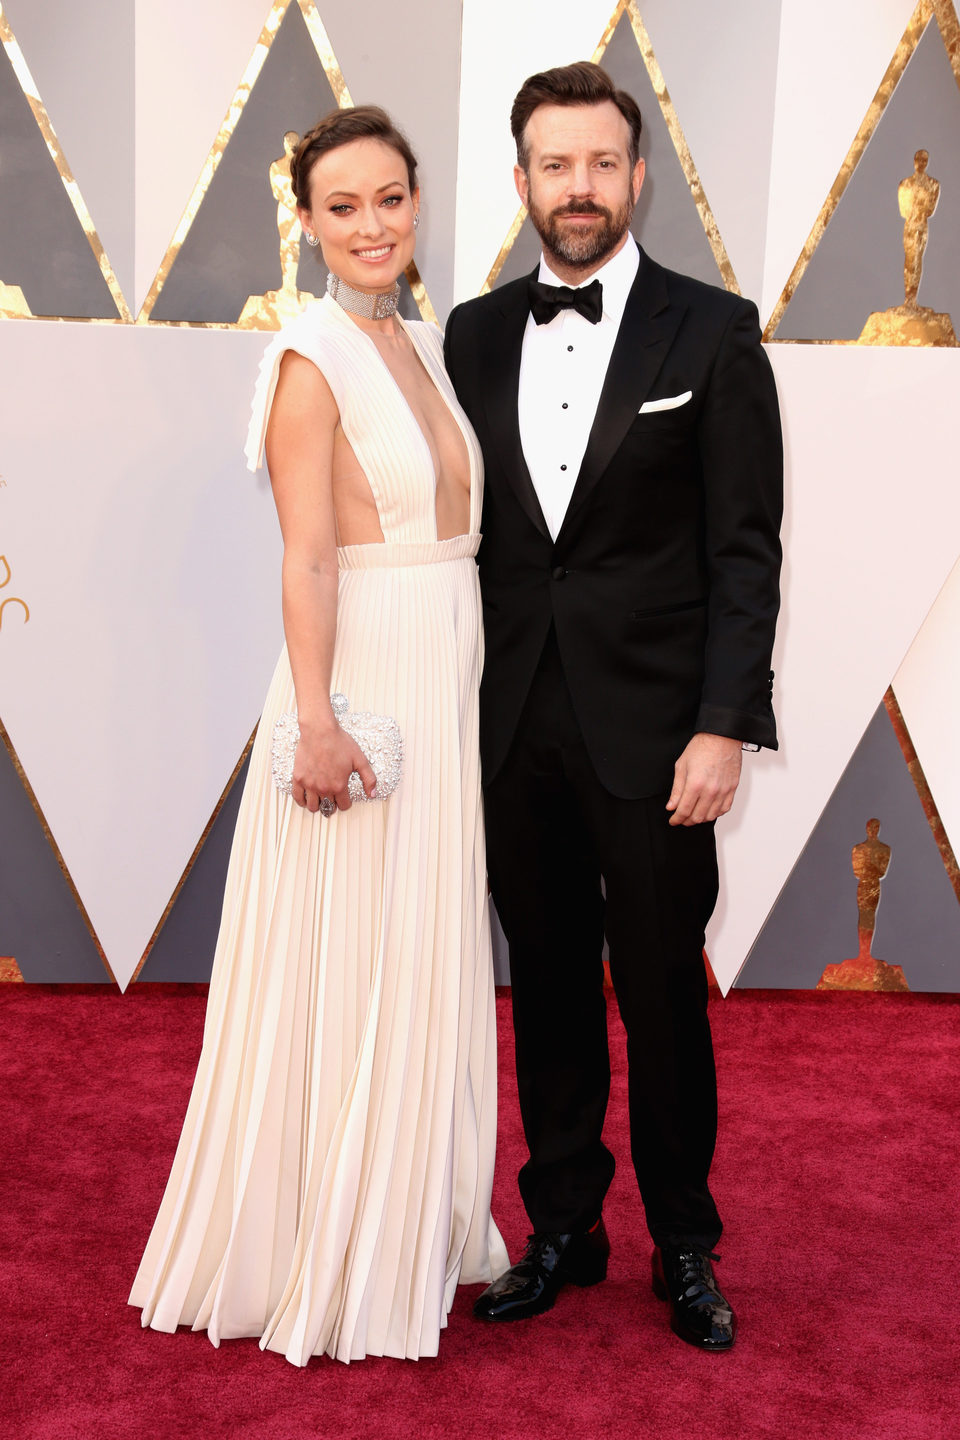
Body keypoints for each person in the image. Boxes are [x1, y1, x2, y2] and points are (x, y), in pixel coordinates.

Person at [130, 105, 508, 1365]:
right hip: (362, 683)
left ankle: (411, 1217)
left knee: (422, 942)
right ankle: (324, 1243)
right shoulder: (307, 356)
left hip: (444, 663)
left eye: (389, 199)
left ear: (417, 204)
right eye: (341, 206)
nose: (370, 224)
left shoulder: (422, 342)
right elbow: (305, 559)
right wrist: (314, 721)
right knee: (353, 953)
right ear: (306, 222)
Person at [443, 62, 782, 1351]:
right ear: (523, 178)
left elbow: (745, 552)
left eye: (599, 164)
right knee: (549, 988)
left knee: (659, 994)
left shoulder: (714, 328)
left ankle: (684, 1245)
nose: (575, 189)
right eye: (552, 165)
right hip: (512, 720)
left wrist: (723, 725)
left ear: (637, 177)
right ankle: (564, 1228)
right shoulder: (475, 333)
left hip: (656, 737)